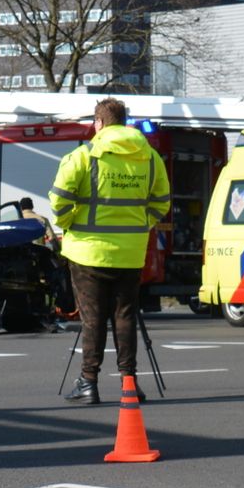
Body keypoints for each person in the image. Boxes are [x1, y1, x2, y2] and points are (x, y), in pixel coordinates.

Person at [50, 99, 170, 404]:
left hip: (88, 252)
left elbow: (59, 200)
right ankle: (129, 382)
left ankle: (88, 382)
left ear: (98, 123)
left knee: (93, 319)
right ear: (125, 122)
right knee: (125, 316)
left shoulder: (84, 155)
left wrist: (69, 225)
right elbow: (161, 202)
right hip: (130, 252)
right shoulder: (150, 158)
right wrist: (141, 225)